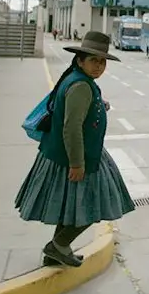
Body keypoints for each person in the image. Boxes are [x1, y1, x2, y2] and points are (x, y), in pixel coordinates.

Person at [14, 31, 136, 267]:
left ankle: (56, 251)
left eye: (102, 62)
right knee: (93, 205)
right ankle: (58, 245)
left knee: (69, 207)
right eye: (93, 60)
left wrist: (99, 104)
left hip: (69, 153)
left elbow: (76, 111)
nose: (99, 66)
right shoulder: (81, 86)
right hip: (74, 156)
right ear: (80, 60)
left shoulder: (77, 79)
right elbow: (71, 128)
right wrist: (77, 164)